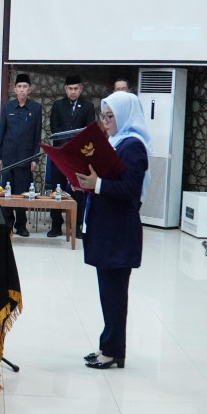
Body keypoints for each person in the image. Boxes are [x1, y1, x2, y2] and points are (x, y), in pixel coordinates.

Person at [76, 91, 151, 370]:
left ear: (125, 116)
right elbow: (104, 181)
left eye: (110, 117)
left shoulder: (133, 146)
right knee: (107, 293)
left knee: (115, 294)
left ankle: (113, 352)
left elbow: (130, 189)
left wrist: (96, 185)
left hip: (119, 232)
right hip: (106, 228)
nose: (105, 122)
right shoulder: (114, 143)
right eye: (103, 116)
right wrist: (83, 182)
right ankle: (107, 345)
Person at [47, 75, 96, 238]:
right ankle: (56, 225)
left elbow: (88, 130)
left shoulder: (88, 106)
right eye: (70, 89)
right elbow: (54, 128)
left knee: (78, 192)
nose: (73, 92)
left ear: (80, 89)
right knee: (57, 190)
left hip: (78, 157)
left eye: (76, 89)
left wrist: (74, 148)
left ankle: (76, 226)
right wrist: (66, 147)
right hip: (60, 155)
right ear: (65, 89)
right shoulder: (58, 105)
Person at [0, 73, 41, 237]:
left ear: (30, 90)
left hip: (25, 157)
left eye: (25, 87)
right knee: (7, 192)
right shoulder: (8, 107)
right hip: (8, 156)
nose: (22, 89)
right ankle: (8, 223)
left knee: (22, 192)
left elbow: (37, 135)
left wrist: (35, 158)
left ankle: (21, 225)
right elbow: (2, 132)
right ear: (15, 89)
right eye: (19, 87)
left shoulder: (36, 108)